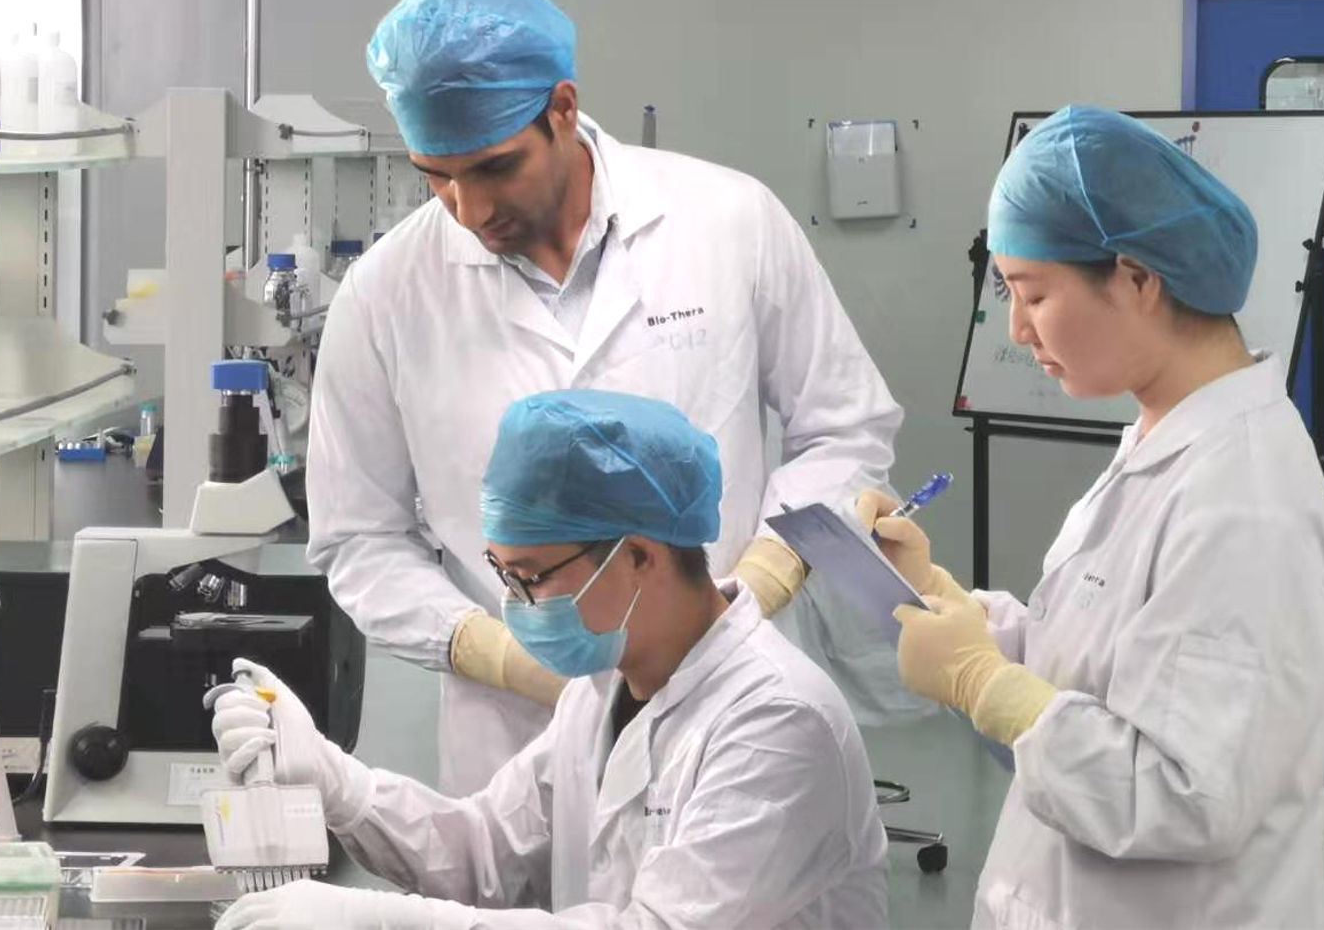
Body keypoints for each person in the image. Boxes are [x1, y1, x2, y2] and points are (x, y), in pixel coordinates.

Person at [307, 0, 905, 794]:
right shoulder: (386, 293)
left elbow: (845, 427)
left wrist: (769, 573)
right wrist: (493, 652)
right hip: (518, 732)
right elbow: (358, 537)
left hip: (735, 695)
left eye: (494, 167)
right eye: (434, 176)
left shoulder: (727, 221)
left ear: (562, 109)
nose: (467, 210)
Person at [869, 106, 1324, 930]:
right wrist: (945, 602)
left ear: (1136, 279)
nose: (1017, 329)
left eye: (1033, 293)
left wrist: (985, 684)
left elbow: (1187, 796)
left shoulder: (1244, 501)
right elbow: (1096, 676)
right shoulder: (1165, 439)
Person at [213, 390, 889, 930]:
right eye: (503, 574)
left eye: (532, 577)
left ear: (639, 556)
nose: (514, 604)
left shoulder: (778, 720)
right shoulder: (604, 690)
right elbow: (483, 853)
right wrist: (338, 783)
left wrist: (380, 922)